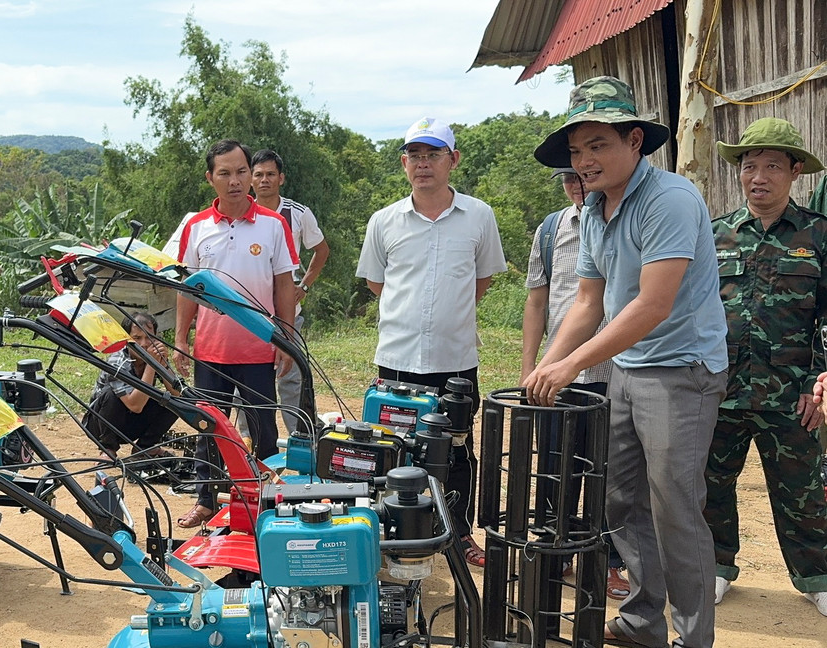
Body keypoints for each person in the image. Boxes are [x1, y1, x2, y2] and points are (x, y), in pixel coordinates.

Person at [525, 76, 728, 648]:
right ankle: (644, 617)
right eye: (576, 152)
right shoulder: (592, 207)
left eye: (596, 146)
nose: (584, 162)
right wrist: (546, 366)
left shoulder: (670, 198)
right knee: (616, 497)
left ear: (634, 139)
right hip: (626, 368)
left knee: (673, 503)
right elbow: (588, 301)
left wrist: (567, 367)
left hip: (682, 370)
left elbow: (653, 304)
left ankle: (694, 646)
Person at [355, 116, 506, 568]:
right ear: (404, 164)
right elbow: (377, 284)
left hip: (454, 359)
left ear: (452, 160)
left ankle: (458, 532)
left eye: (433, 154)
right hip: (398, 359)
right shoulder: (384, 221)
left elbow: (482, 280)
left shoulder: (479, 216)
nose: (423, 164)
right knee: (391, 448)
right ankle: (393, 533)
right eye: (414, 156)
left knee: (457, 448)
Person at [703, 117, 827, 616]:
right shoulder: (715, 235)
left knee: (804, 490)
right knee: (710, 484)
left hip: (792, 393)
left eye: (772, 166)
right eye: (749, 166)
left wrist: (819, 382)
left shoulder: (818, 235)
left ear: (795, 171)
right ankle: (714, 567)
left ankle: (818, 576)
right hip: (721, 389)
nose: (758, 177)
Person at [167, 139, 298, 529]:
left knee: (264, 430)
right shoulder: (196, 227)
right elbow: (187, 287)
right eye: (225, 173)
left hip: (260, 346)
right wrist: (179, 338)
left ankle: (266, 501)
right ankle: (206, 499)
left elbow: (284, 286)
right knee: (210, 428)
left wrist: (285, 338)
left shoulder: (274, 226)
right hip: (211, 349)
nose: (236, 180)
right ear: (211, 179)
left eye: (242, 171)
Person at [521, 166, 629, 600]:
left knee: (607, 470)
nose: (577, 186)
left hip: (614, 372)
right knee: (555, 467)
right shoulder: (550, 230)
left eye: (581, 177)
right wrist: (531, 365)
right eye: (568, 178)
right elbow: (536, 300)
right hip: (557, 372)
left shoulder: (624, 222)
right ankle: (556, 551)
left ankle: (607, 561)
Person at [234, 148, 330, 436]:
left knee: (291, 378)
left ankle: (300, 438)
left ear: (281, 178)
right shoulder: (238, 212)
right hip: (249, 314)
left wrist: (303, 286)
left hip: (288, 313)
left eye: (270, 174)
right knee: (245, 383)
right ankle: (249, 444)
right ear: (250, 179)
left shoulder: (297, 214)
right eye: (259, 174)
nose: (264, 180)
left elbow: (321, 251)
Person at [83, 311, 179, 459]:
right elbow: (135, 405)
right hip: (101, 425)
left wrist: (163, 364)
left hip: (133, 422)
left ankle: (145, 447)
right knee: (111, 394)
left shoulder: (156, 355)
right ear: (126, 339)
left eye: (149, 338)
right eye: (137, 338)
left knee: (174, 402)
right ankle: (108, 448)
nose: (144, 344)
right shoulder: (117, 361)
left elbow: (177, 393)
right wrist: (152, 366)